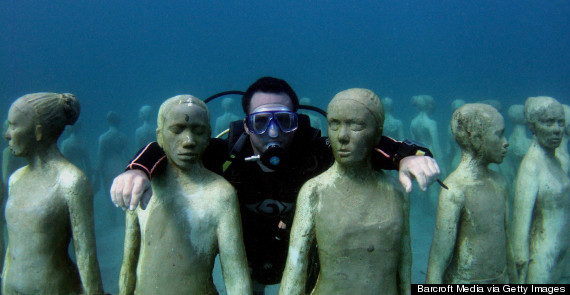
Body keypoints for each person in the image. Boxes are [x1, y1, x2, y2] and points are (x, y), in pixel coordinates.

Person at [111, 77, 440, 294]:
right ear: (245, 125)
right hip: (248, 259)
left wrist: (407, 155)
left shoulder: (316, 153)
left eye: (284, 120)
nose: (272, 133)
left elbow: (364, 144)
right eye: (260, 121)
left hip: (302, 263)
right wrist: (137, 169)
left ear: (298, 121)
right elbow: (170, 146)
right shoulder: (225, 153)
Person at [278, 88, 411, 295]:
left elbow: (405, 265)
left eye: (355, 125)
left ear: (378, 132)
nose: (342, 136)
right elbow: (295, 270)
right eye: (334, 124)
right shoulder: (315, 191)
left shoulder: (396, 192)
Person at [119, 95, 251, 295]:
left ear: (208, 136)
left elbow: (235, 275)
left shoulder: (221, 194)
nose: (188, 141)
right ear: (160, 135)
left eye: (198, 131)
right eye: (176, 130)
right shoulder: (143, 187)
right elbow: (128, 263)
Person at [3, 93, 104, 294]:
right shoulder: (15, 180)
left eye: (14, 126)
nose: (7, 134)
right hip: (11, 286)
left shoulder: (72, 182)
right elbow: (12, 245)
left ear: (38, 132)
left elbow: (85, 255)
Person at [426, 103, 509, 284]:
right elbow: (439, 259)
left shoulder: (500, 182)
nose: (505, 142)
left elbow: (508, 240)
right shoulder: (455, 189)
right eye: (499, 134)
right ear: (476, 139)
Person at [510, 96, 570, 283]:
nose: (557, 130)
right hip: (540, 261)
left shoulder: (557, 161)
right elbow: (520, 225)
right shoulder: (531, 167)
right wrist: (520, 269)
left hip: (560, 256)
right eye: (549, 122)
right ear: (532, 126)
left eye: (560, 122)